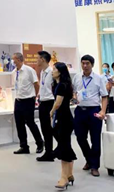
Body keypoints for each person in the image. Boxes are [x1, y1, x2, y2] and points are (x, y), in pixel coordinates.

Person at [73, 54, 108, 177]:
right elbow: (74, 91)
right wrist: (74, 97)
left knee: (95, 139)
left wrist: (103, 111)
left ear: (92, 65)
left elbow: (104, 96)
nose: (85, 65)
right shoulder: (77, 77)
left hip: (93, 110)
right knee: (80, 137)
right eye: (83, 63)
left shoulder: (99, 78)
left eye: (87, 63)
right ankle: (89, 159)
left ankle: (94, 166)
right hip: (80, 110)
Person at [50, 62, 76, 190]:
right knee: (65, 145)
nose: (52, 71)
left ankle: (64, 177)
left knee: (63, 147)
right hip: (63, 118)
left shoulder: (62, 85)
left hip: (64, 119)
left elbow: (58, 103)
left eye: (54, 69)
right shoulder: (58, 84)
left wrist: (51, 112)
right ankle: (69, 174)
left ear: (60, 71)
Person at [12, 52, 44, 155]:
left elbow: (36, 84)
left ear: (19, 59)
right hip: (18, 100)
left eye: (14, 59)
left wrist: (34, 96)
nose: (13, 61)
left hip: (28, 100)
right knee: (19, 124)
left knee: (30, 123)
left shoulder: (29, 70)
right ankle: (24, 146)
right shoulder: (14, 72)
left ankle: (40, 143)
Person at [37, 50, 55, 162]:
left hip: (50, 102)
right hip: (42, 102)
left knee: (50, 129)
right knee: (44, 128)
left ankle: (51, 152)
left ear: (43, 59)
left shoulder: (52, 72)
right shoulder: (42, 72)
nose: (36, 61)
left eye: (38, 58)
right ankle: (48, 152)